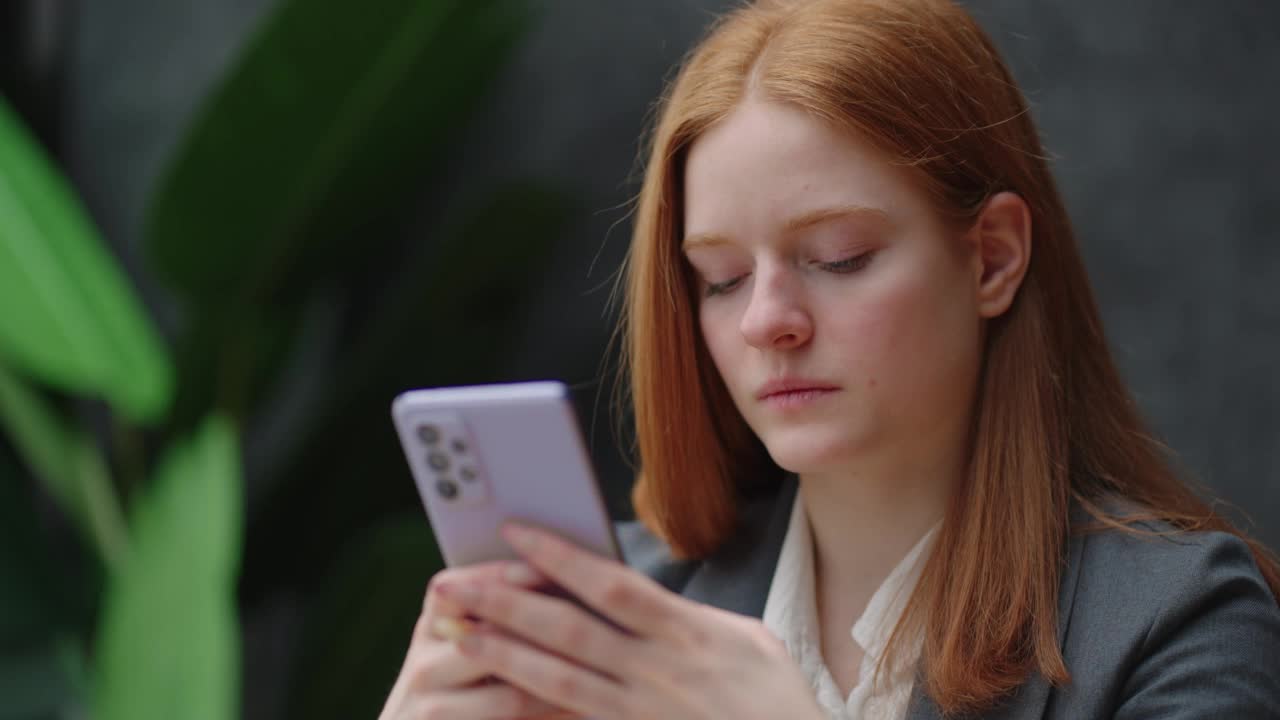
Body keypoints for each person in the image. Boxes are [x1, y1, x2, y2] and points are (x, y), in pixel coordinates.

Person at [378, 0, 1280, 718]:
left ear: (994, 257)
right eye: (722, 278)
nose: (769, 320)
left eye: (839, 257)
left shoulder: (1179, 620)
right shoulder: (614, 616)